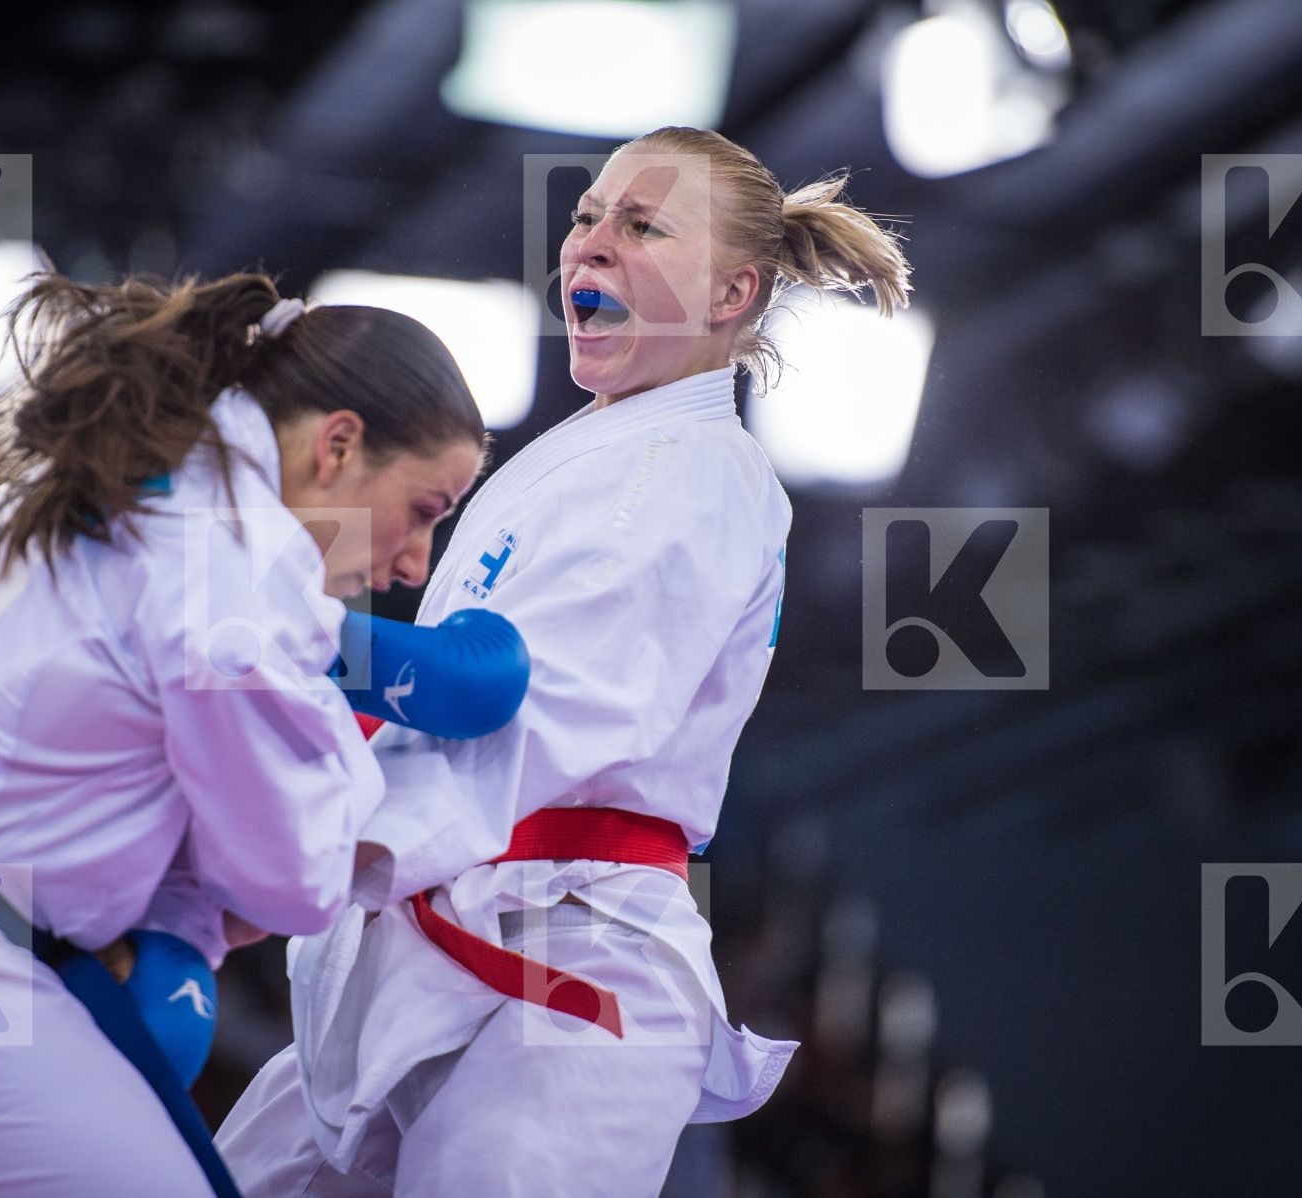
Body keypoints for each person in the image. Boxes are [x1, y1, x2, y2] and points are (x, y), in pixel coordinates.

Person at [216, 126, 912, 1195]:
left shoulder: (701, 466)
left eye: (642, 226)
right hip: (433, 931)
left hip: (572, 959)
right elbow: (431, 707)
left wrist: (286, 836)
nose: (590, 244)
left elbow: (533, 710)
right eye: (587, 216)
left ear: (733, 294)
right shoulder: (579, 454)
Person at [0, 269, 494, 1198]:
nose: (414, 562)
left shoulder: (141, 462)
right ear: (337, 445)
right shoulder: (232, 576)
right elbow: (289, 880)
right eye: (424, 512)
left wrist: (323, 647)